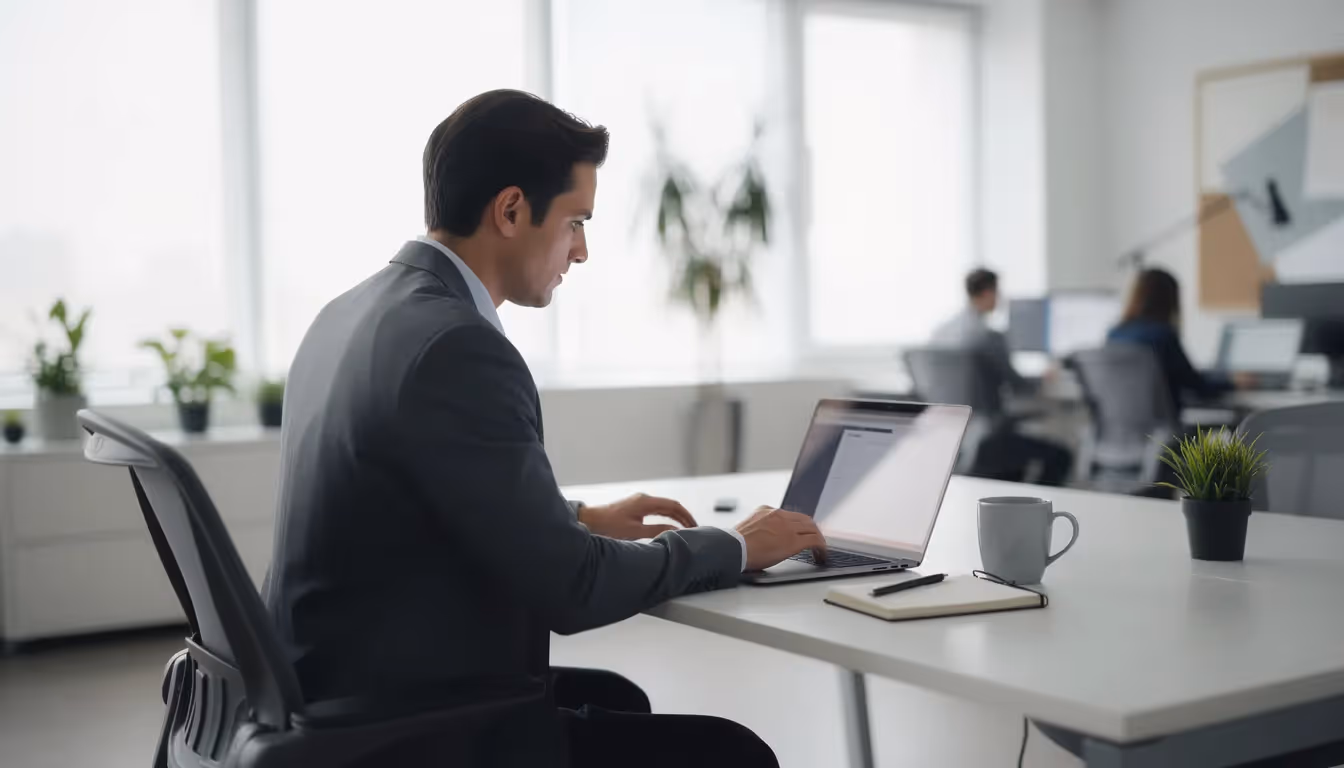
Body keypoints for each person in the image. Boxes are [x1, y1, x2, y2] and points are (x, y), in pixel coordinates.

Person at [263, 90, 826, 768]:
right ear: (510, 210)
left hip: (331, 694)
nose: (582, 251)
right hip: (406, 725)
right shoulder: (457, 345)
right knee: (735, 755)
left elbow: (412, 493)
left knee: (618, 698)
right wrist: (733, 545)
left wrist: (578, 516)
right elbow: (574, 589)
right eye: (576, 221)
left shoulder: (349, 313)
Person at [931, 268, 1074, 486]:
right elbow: (1019, 386)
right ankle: (1033, 510)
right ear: (988, 293)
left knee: (1013, 462)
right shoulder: (987, 336)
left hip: (955, 436)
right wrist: (1044, 378)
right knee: (1061, 455)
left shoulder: (941, 332)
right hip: (988, 436)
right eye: (998, 293)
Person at [1107, 268, 1250, 411]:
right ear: (1169, 300)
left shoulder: (1114, 335)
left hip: (1123, 428)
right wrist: (1233, 383)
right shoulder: (1162, 336)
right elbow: (1197, 386)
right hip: (1164, 428)